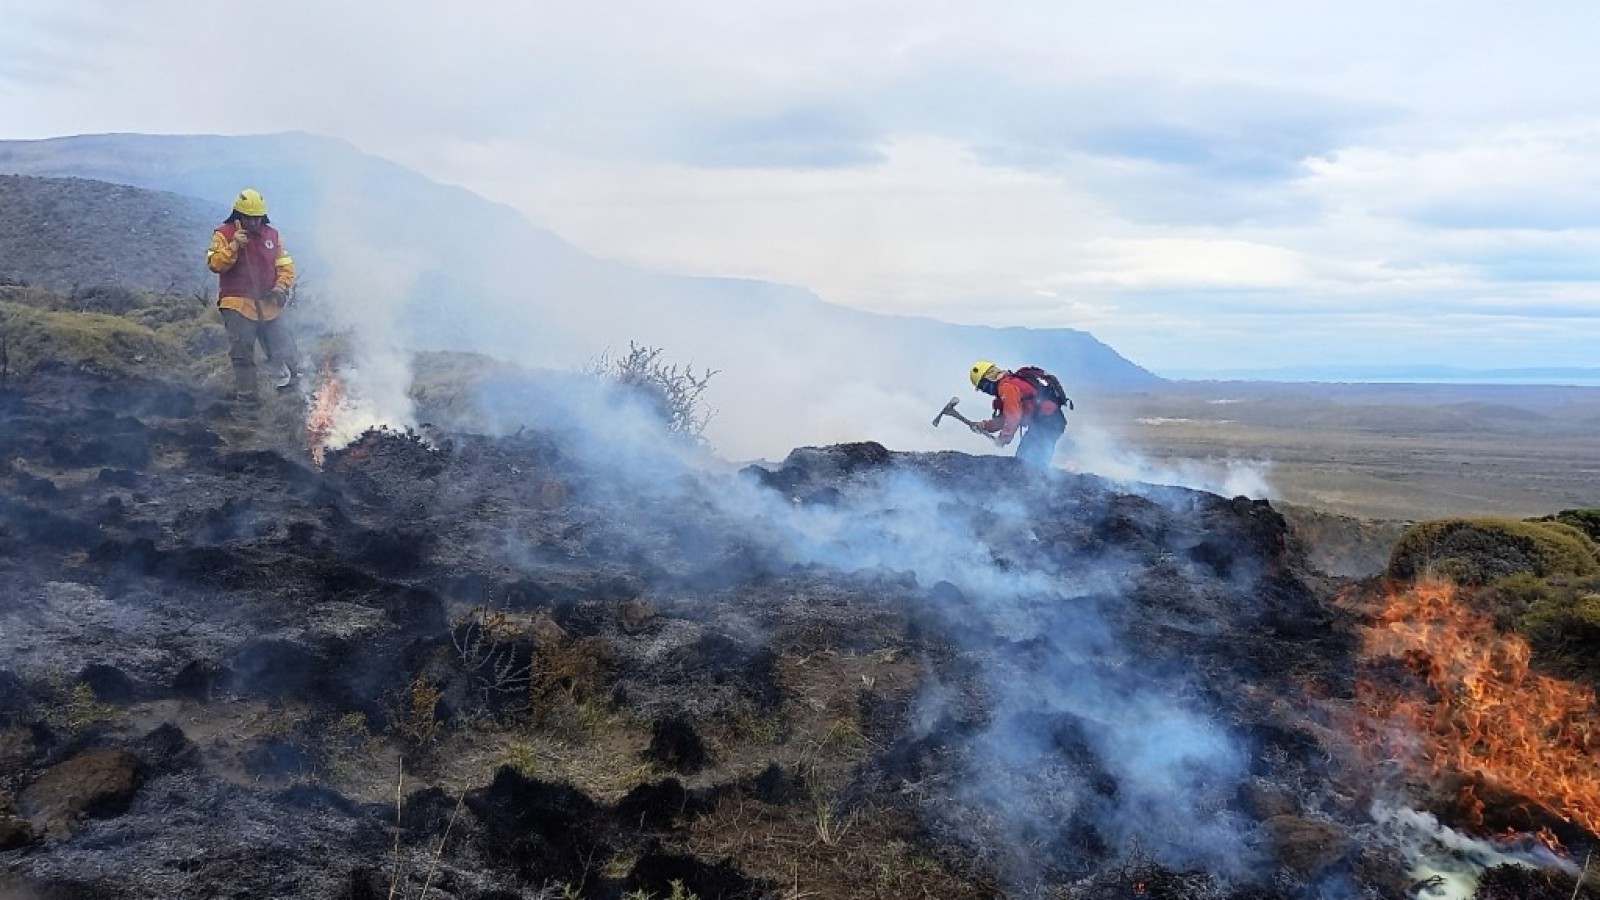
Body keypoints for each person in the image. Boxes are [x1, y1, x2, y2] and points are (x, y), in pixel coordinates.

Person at [205, 188, 300, 402]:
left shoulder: (272, 235)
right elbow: (215, 264)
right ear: (239, 215)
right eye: (250, 218)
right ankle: (248, 402)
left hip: (268, 302)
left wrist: (281, 287)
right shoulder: (224, 234)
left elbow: (285, 265)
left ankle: (292, 395)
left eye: (258, 218)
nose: (255, 223)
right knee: (243, 354)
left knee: (284, 347)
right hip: (237, 303)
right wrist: (234, 246)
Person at [968, 360, 1073, 469]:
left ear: (988, 379)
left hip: (1048, 423)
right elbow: (1005, 418)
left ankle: (1038, 483)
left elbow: (1013, 416)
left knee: (1027, 462)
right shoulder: (1011, 383)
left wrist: (1004, 438)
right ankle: (1038, 482)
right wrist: (984, 426)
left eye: (983, 387)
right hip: (1047, 423)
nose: (986, 391)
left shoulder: (1006, 386)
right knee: (1025, 461)